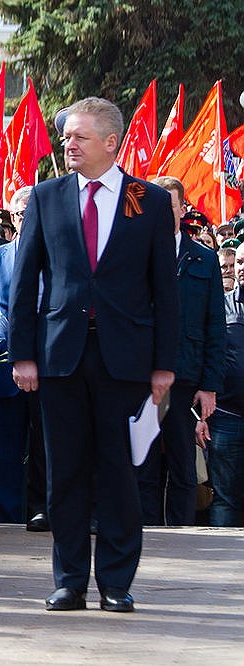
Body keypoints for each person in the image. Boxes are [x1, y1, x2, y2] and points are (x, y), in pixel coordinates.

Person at [10, 97, 178, 613]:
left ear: (111, 142)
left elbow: (164, 291)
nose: (69, 144)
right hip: (59, 356)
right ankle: (69, 581)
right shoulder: (45, 196)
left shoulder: (146, 202)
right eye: (67, 137)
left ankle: (116, 582)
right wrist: (22, 354)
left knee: (120, 472)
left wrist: (164, 366)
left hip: (125, 360)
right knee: (66, 472)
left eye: (80, 137)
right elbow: (25, 281)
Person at [136, 176, 224, 526]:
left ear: (182, 208)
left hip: (184, 378)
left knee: (183, 466)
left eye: (168, 204)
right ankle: (145, 531)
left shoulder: (203, 259)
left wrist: (209, 386)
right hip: (141, 377)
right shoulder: (135, 254)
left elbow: (214, 326)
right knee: (142, 463)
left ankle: (182, 533)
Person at [0, 186, 49, 530]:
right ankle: (4, 519)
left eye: (33, 213)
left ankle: (44, 510)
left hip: (49, 368)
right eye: (21, 215)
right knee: (5, 450)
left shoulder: (56, 256)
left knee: (46, 448)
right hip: (5, 371)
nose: (27, 221)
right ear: (11, 218)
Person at [211, 249, 244, 525]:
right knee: (225, 499)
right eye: (240, 262)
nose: (241, 267)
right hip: (227, 417)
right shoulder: (222, 305)